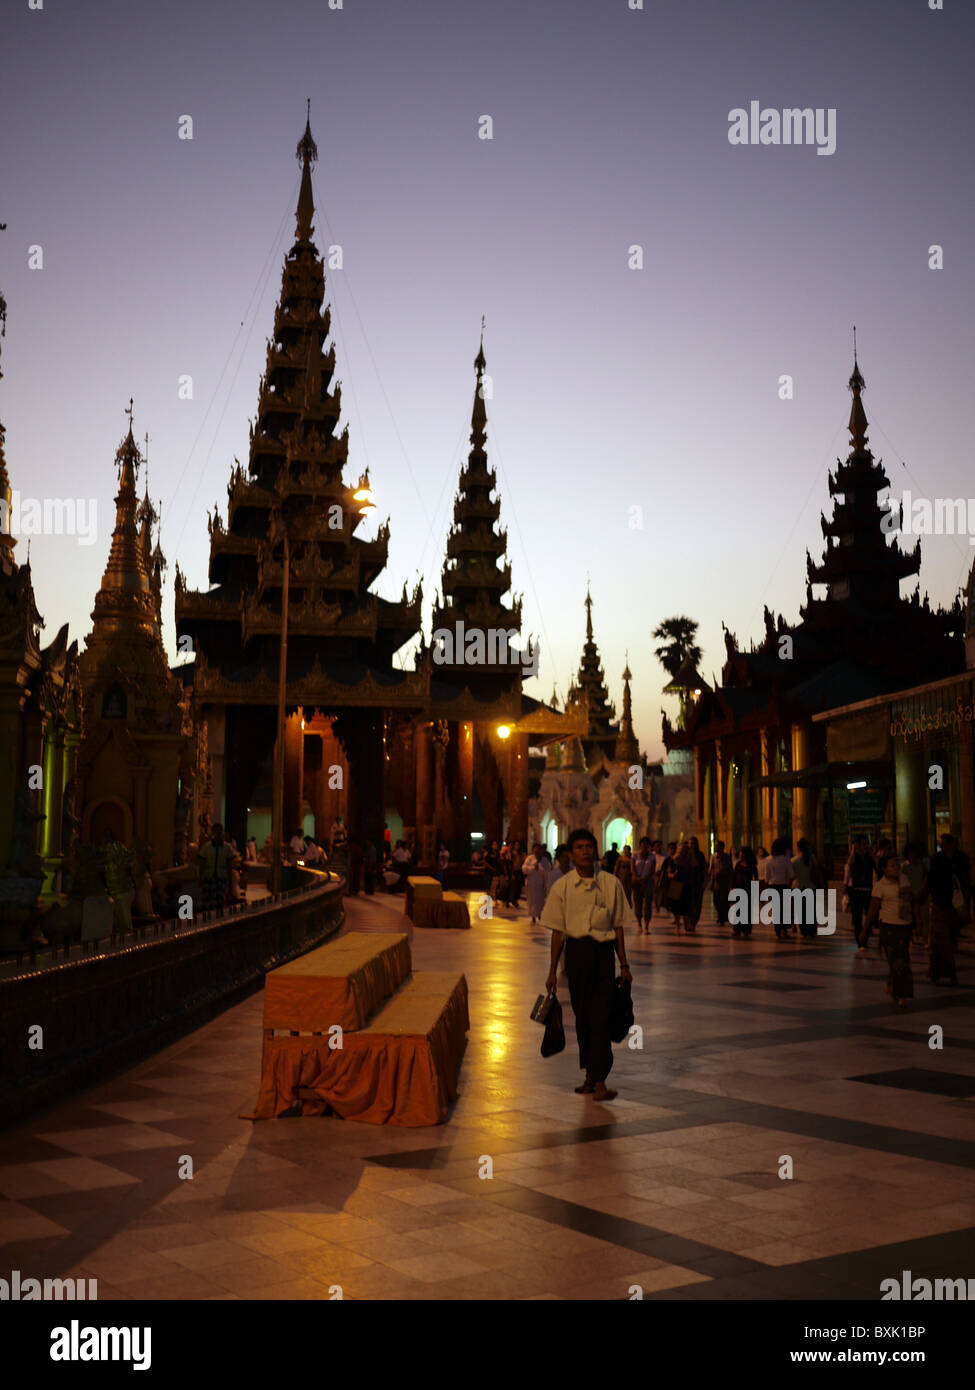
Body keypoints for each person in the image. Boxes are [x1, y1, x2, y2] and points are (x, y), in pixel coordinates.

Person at [541, 827, 634, 1103]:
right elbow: (558, 933)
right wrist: (551, 970)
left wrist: (625, 965)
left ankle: (601, 1080)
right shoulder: (563, 887)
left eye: (589, 847)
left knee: (601, 1018)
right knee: (583, 1018)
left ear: (595, 850)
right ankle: (590, 1077)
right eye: (579, 847)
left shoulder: (611, 884)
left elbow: (618, 928)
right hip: (577, 956)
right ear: (571, 854)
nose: (584, 851)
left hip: (603, 956)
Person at [863, 853, 914, 1007]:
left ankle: (892, 987)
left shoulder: (904, 881)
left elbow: (912, 902)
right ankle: (900, 995)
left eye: (896, 865)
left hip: (905, 925)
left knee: (904, 960)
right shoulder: (880, 886)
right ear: (884, 869)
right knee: (897, 961)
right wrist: (864, 930)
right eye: (892, 866)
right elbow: (872, 910)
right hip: (889, 927)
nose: (896, 868)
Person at [926, 835, 964, 985]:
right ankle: (943, 971)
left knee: (944, 939)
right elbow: (930, 880)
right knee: (941, 939)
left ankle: (942, 971)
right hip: (941, 903)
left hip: (950, 904)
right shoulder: (938, 859)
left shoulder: (958, 859)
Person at [845, 834, 876, 952]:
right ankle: (860, 942)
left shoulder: (869, 857)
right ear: (857, 845)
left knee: (869, 917)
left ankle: (865, 938)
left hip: (868, 890)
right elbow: (849, 864)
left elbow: (877, 865)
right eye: (862, 844)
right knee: (857, 918)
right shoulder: (854, 857)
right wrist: (853, 850)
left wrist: (871, 853)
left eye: (865, 844)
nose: (864, 846)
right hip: (856, 890)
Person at [791, 837, 825, 939]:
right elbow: (817, 872)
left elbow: (792, 875)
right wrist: (822, 885)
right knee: (811, 910)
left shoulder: (794, 860)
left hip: (798, 886)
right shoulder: (812, 858)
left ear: (798, 848)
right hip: (810, 886)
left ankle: (804, 931)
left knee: (801, 911)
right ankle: (812, 930)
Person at [197, 823, 235, 912]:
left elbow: (230, 865)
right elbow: (202, 863)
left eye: (220, 830)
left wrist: (230, 881)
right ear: (213, 832)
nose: (218, 833)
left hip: (221, 878)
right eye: (216, 830)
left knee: (219, 902)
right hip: (208, 877)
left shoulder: (227, 848)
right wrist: (200, 877)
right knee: (207, 902)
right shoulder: (207, 847)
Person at [764, 837, 795, 939]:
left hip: (772, 886)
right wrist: (789, 886)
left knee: (776, 910)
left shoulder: (768, 860)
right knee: (785, 909)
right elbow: (791, 875)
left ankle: (778, 930)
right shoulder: (786, 859)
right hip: (784, 886)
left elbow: (766, 878)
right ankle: (784, 930)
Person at [731, 845, 758, 937]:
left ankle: (746, 929)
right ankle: (737, 929)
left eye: (742, 852)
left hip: (748, 890)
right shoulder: (738, 864)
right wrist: (732, 888)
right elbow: (734, 876)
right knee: (738, 910)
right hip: (738, 889)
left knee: (747, 910)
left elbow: (756, 878)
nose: (740, 854)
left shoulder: (752, 865)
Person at [631, 837, 655, 934]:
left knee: (648, 904)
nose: (644, 846)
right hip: (637, 882)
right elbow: (632, 868)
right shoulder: (635, 855)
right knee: (638, 904)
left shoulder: (652, 856)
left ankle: (647, 925)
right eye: (643, 844)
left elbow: (652, 870)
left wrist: (645, 879)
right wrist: (637, 878)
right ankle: (639, 924)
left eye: (646, 844)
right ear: (640, 845)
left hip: (648, 881)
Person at [708, 840, 733, 931]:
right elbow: (710, 869)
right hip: (716, 881)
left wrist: (730, 883)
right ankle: (721, 915)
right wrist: (711, 881)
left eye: (717, 846)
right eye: (715, 846)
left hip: (724, 881)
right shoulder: (713, 857)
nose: (716, 848)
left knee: (723, 900)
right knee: (716, 900)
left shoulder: (727, 857)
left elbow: (730, 870)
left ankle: (722, 918)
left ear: (722, 848)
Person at [522, 842, 546, 923]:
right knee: (531, 900)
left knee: (539, 900)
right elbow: (524, 869)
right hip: (531, 883)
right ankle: (533, 916)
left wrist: (539, 868)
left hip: (539, 884)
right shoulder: (529, 859)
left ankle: (540, 915)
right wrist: (532, 868)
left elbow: (547, 871)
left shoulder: (544, 860)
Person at [687, 836, 707, 931]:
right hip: (688, 882)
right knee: (688, 903)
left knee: (697, 903)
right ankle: (689, 921)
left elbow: (703, 870)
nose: (691, 845)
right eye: (690, 843)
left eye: (693, 843)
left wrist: (704, 882)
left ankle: (694, 922)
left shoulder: (700, 855)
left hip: (697, 883)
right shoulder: (686, 854)